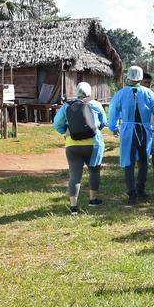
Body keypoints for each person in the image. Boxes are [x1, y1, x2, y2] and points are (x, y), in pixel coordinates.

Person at [109, 65, 154, 205]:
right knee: (144, 161)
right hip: (144, 130)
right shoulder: (148, 92)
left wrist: (114, 127)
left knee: (129, 161)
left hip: (128, 130)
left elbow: (113, 111)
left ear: (128, 77)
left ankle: (131, 194)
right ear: (140, 78)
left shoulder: (120, 93)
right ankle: (141, 190)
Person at [53, 82, 107, 215]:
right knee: (94, 171)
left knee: (75, 176)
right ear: (89, 93)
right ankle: (93, 200)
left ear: (76, 92)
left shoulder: (67, 106)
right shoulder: (95, 104)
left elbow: (56, 123)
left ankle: (73, 207)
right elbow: (103, 122)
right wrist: (95, 129)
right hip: (93, 144)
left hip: (72, 145)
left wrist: (65, 131)